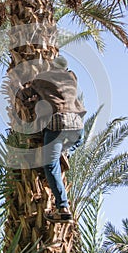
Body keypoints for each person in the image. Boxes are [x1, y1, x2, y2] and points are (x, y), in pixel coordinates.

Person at [29, 55, 86, 223]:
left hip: (58, 124)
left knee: (50, 164)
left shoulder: (42, 79)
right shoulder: (71, 77)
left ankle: (62, 208)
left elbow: (29, 90)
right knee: (78, 141)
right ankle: (66, 152)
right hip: (76, 125)